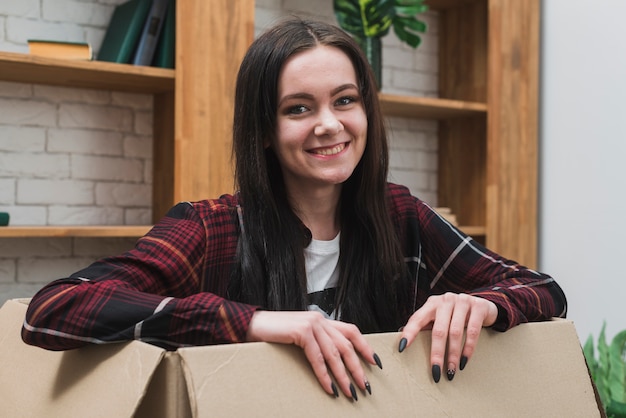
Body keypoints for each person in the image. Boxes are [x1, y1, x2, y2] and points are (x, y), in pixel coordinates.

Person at [22, 18, 567, 401]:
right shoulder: (209, 227)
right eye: (298, 108)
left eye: (345, 100)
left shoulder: (400, 216)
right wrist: (254, 322)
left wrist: (483, 306)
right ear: (262, 130)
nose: (329, 124)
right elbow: (52, 310)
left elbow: (545, 292)